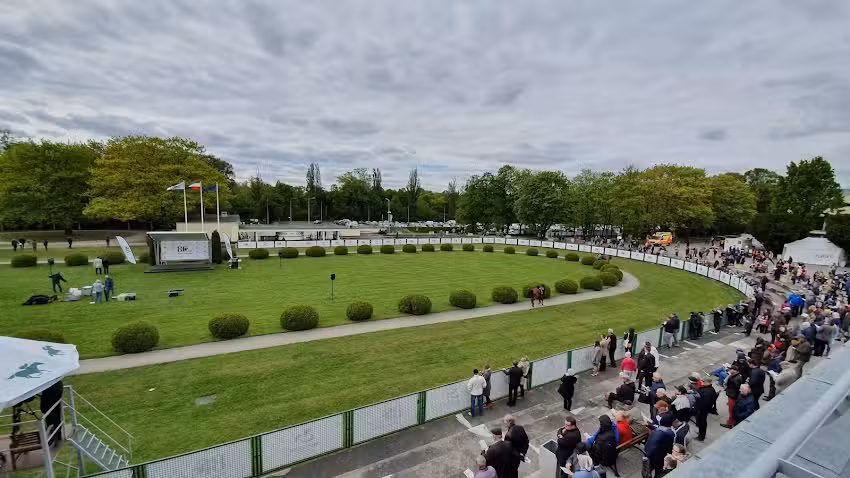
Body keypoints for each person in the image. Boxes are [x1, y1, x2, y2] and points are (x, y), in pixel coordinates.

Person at [644, 409, 675, 477]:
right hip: (658, 456)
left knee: (649, 468)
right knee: (659, 470)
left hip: (648, 452)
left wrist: (648, 425)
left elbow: (655, 428)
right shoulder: (670, 433)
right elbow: (669, 447)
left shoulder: (658, 429)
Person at [694, 376, 717, 441]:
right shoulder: (708, 389)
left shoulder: (708, 391)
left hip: (702, 410)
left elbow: (706, 402)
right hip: (702, 409)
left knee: (702, 423)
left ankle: (701, 436)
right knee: (701, 422)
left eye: (703, 381)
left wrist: (699, 408)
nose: (702, 382)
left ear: (707, 382)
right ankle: (701, 433)